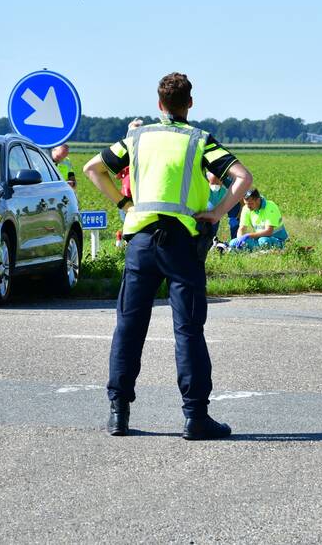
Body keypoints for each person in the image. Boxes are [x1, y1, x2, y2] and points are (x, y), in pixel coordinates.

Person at [83, 72, 252, 440]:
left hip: (141, 242)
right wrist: (217, 212)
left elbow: (92, 169)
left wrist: (125, 204)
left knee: (129, 326)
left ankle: (118, 413)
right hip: (182, 244)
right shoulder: (200, 141)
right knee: (188, 328)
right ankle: (195, 417)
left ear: (159, 104)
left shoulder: (136, 138)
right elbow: (243, 177)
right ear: (190, 103)